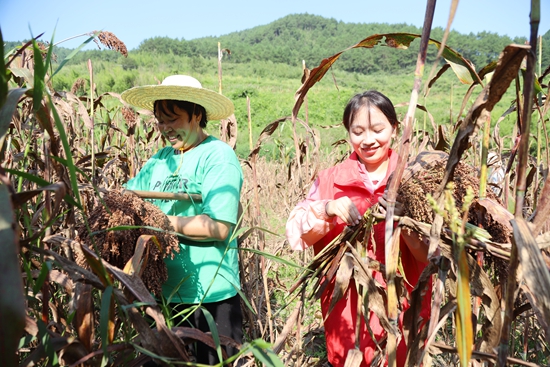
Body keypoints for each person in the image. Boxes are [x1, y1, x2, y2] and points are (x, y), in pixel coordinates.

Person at [286, 90, 431, 367]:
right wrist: (326, 208)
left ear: (394, 128)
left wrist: (406, 223)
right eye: (358, 131)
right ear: (348, 133)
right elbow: (297, 233)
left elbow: (430, 255)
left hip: (405, 306)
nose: (368, 140)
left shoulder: (416, 179)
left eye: (378, 129)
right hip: (346, 310)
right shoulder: (330, 180)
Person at [121, 75, 244, 364]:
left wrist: (159, 221)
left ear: (197, 115)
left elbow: (218, 226)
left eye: (172, 119)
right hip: (162, 295)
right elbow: (127, 201)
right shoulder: (161, 159)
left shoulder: (218, 156)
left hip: (209, 297)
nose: (165, 129)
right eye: (160, 121)